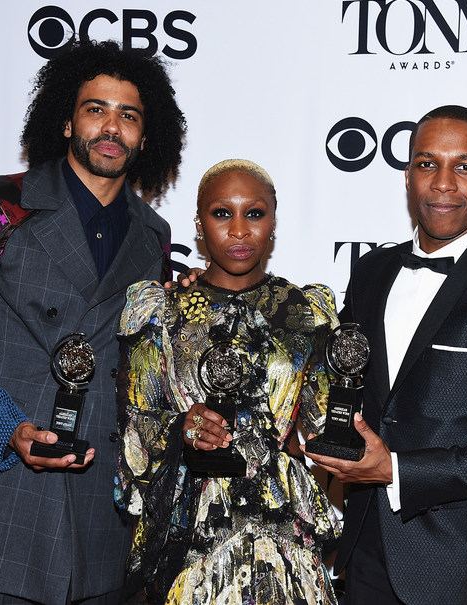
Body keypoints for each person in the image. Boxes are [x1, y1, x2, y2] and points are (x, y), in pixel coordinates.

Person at [0, 40, 185, 604]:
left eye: (129, 115)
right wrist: (6, 428)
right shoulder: (1, 204)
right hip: (1, 499)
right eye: (95, 109)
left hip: (102, 513)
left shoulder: (152, 236)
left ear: (146, 136)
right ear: (64, 121)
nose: (112, 126)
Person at [304, 105, 467, 605]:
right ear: (407, 177)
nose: (442, 182)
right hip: (360, 547)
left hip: (456, 569)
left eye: (464, 166)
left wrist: (398, 471)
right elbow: (337, 371)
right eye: (427, 164)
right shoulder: (372, 272)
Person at [115, 159, 342, 604]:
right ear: (199, 224)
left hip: (284, 533)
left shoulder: (305, 312)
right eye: (222, 214)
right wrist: (182, 428)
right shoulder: (160, 310)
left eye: (254, 213)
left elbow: (321, 429)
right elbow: (134, 430)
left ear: (273, 223)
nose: (239, 230)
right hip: (191, 530)